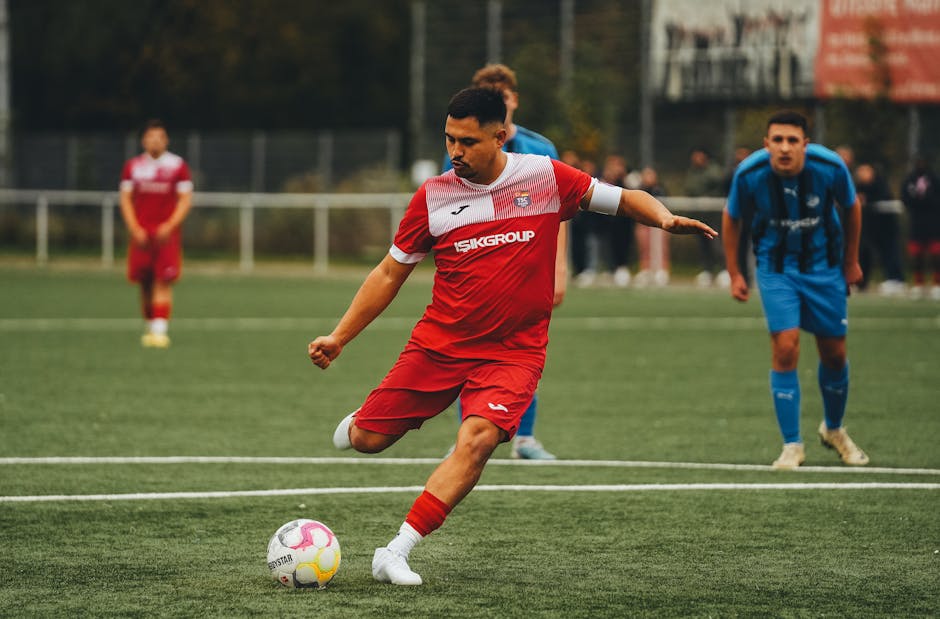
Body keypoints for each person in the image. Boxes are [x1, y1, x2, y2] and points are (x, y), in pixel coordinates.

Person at [309, 87, 717, 585]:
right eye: (449, 140)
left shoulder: (544, 177)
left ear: (501, 136)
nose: (455, 151)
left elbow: (623, 198)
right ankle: (362, 422)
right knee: (368, 440)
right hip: (440, 344)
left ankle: (395, 550)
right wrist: (339, 337)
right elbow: (389, 273)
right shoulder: (433, 196)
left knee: (477, 440)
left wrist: (663, 218)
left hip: (514, 352)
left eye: (467, 141)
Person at [722, 110, 869, 469]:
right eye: (777, 140)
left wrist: (851, 261)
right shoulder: (750, 174)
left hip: (824, 268)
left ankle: (833, 429)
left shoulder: (829, 167)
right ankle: (792, 445)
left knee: (834, 354)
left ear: (806, 143)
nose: (784, 148)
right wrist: (735, 272)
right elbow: (732, 217)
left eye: (792, 141)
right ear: (766, 144)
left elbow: (851, 208)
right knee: (785, 347)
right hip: (776, 269)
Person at [441, 63, 562, 460]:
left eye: (504, 96)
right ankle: (468, 436)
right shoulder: (459, 151)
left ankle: (525, 439)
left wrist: (560, 270)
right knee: (468, 353)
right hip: (477, 269)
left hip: (528, 269)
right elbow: (446, 212)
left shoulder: (541, 150)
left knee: (525, 352)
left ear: (514, 100)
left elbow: (563, 213)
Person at [119, 119, 193, 348]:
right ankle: (150, 326)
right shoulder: (133, 166)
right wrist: (134, 228)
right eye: (151, 136)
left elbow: (185, 199)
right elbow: (125, 199)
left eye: (160, 137)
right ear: (143, 140)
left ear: (166, 140)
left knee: (163, 281)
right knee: (144, 282)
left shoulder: (177, 165)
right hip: (141, 233)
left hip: (166, 234)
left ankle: (160, 331)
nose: (155, 141)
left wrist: (170, 225)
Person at [854, 163, 905, 295]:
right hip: (869, 229)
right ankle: (862, 282)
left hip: (887, 228)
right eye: (860, 172)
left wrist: (867, 200)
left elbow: (883, 200)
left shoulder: (880, 184)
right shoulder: (857, 186)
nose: (862, 175)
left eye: (865, 171)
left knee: (890, 252)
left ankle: (896, 279)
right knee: (865, 254)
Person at [684, 147, 729, 287]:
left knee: (716, 243)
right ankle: (707, 270)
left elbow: (719, 181)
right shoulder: (692, 172)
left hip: (714, 215)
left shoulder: (713, 170)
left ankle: (723, 270)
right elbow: (690, 187)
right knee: (703, 245)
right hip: (699, 214)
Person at [900, 156, 940, 300]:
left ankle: (937, 284)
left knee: (936, 254)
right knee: (917, 255)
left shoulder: (935, 179)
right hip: (916, 222)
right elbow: (905, 198)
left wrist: (928, 199)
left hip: (934, 222)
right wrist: (917, 201)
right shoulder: (910, 180)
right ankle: (918, 283)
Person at [633, 166, 670, 287]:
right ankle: (646, 269)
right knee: (644, 246)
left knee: (660, 247)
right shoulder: (640, 189)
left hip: (659, 223)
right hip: (643, 222)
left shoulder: (660, 189)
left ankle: (662, 270)